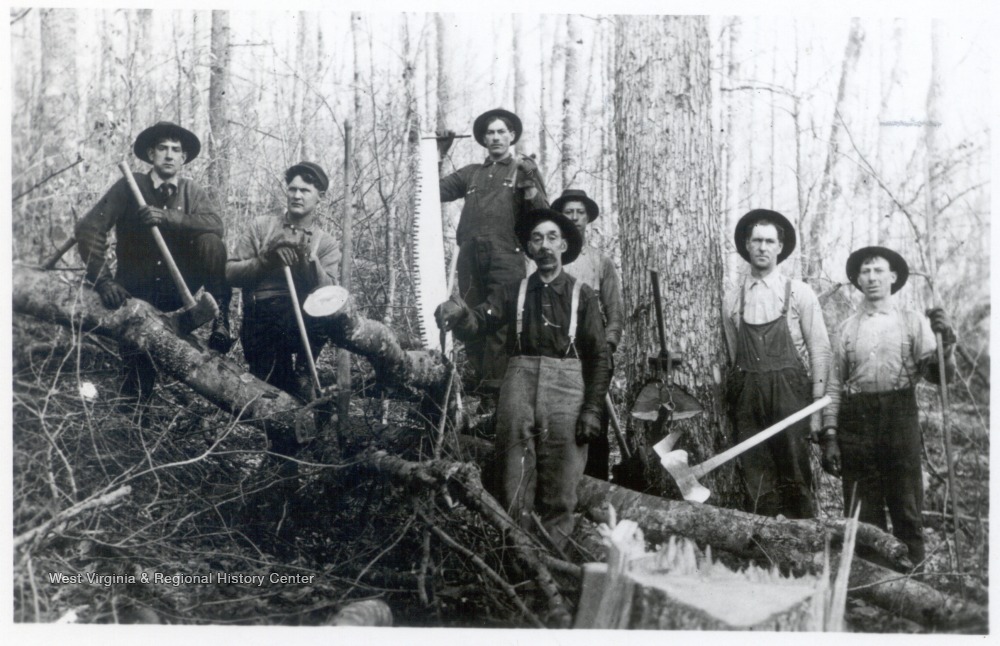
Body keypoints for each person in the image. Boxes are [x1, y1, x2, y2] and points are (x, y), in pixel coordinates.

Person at [435, 208, 611, 551]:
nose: (544, 245)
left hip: (567, 392)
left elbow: (601, 358)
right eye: (536, 238)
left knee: (561, 490)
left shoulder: (583, 295)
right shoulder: (513, 291)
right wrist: (458, 312)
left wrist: (592, 409)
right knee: (515, 483)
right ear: (528, 249)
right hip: (518, 387)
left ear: (563, 246)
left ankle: (551, 565)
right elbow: (479, 322)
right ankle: (519, 561)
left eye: (552, 238)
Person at [76, 121, 233, 413]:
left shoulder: (191, 191)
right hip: (136, 291)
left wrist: (168, 217)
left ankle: (221, 317)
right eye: (163, 148)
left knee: (211, 242)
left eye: (176, 150)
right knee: (137, 380)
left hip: (178, 291)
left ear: (184, 158)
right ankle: (135, 426)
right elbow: (89, 228)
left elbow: (216, 226)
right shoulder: (129, 186)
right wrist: (104, 281)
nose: (169, 155)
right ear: (151, 154)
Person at [820, 247, 956, 568]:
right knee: (861, 510)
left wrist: (946, 344)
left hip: (899, 417)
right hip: (855, 422)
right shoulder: (847, 329)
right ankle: (871, 589)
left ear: (893, 277)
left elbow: (941, 377)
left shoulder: (913, 323)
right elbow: (834, 386)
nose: (872, 278)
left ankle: (914, 587)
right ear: (857, 279)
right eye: (865, 272)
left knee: (906, 504)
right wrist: (829, 435)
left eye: (878, 271)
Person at [722, 209, 830, 519]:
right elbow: (733, 356)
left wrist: (816, 414)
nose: (762, 247)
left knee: (796, 478)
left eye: (770, 241)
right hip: (748, 402)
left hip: (791, 400)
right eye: (756, 240)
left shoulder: (799, 293)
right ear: (747, 245)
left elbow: (820, 351)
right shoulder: (732, 299)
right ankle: (765, 558)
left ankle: (807, 549)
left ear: (780, 247)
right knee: (758, 483)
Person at [438, 108, 549, 395]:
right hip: (469, 256)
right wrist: (439, 154)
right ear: (483, 139)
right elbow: (433, 192)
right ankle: (478, 386)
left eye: (502, 131)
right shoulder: (471, 173)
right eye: (491, 132)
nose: (496, 137)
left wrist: (529, 187)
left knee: (502, 320)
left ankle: (498, 394)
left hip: (506, 255)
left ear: (512, 136)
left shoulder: (523, 169)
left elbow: (542, 218)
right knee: (469, 316)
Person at [226, 162, 340, 415]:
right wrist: (266, 260)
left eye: (305, 191)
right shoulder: (262, 227)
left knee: (301, 393)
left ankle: (304, 373)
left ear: (320, 198)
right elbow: (230, 272)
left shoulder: (326, 243)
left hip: (303, 323)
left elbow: (330, 292)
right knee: (275, 395)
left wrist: (308, 260)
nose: (296, 196)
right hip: (262, 318)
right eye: (292, 189)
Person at [553, 188, 624, 480]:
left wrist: (606, 346)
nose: (574, 218)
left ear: (588, 218)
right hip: (558, 353)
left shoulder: (600, 262)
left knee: (594, 420)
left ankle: (596, 486)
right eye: (568, 212)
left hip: (592, 352)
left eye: (580, 213)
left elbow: (615, 311)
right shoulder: (550, 257)